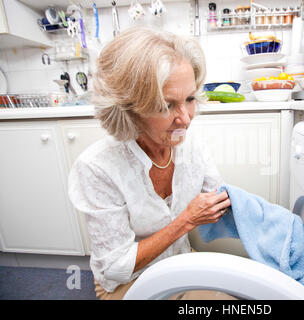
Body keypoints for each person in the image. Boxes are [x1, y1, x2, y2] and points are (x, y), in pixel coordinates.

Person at [68, 27, 232, 300]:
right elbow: (116, 268)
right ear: (130, 110)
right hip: (129, 280)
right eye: (166, 105)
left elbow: (221, 198)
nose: (186, 119)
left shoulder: (192, 146)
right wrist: (186, 221)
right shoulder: (97, 168)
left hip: (179, 261)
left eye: (189, 99)